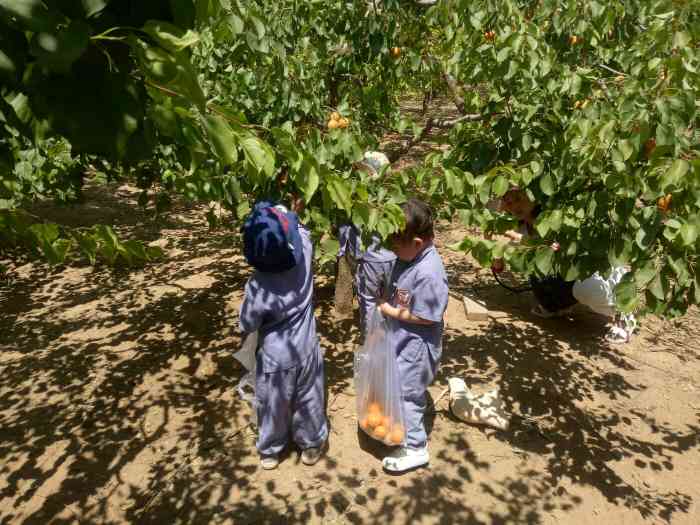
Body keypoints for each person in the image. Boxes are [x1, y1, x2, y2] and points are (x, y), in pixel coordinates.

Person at [239, 201, 328, 470]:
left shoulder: (257, 286)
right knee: (310, 398)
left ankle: (270, 450)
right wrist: (292, 211)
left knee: (273, 402)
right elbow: (302, 233)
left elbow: (247, 322)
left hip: (275, 356)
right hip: (307, 347)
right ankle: (311, 444)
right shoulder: (304, 259)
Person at [493, 187, 636, 344]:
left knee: (587, 287)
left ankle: (623, 314)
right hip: (564, 274)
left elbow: (558, 249)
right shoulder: (519, 226)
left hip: (589, 270)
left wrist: (519, 239)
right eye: (508, 202)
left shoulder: (555, 217)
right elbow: (498, 268)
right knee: (541, 283)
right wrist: (495, 243)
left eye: (519, 198)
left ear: (534, 197)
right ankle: (558, 307)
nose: (514, 206)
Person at [377, 198, 449, 472]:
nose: (393, 251)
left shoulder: (430, 273)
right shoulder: (410, 258)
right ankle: (401, 428)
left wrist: (389, 311)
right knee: (401, 389)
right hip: (404, 343)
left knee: (409, 396)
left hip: (417, 349)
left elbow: (427, 316)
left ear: (417, 243)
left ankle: (416, 448)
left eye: (396, 246)